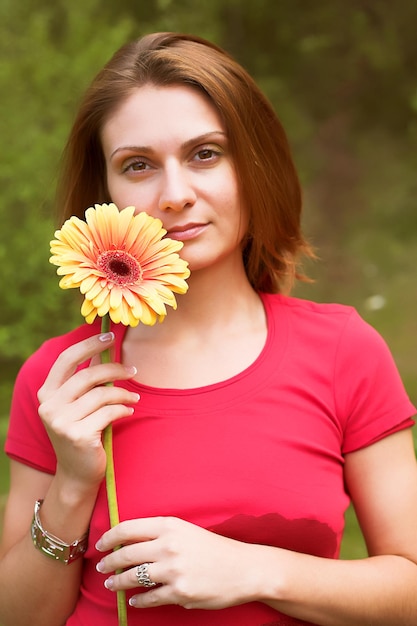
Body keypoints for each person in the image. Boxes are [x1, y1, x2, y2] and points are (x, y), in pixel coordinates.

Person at [0, 31, 416, 626]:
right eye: (137, 165)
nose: (174, 195)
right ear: (106, 191)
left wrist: (250, 568)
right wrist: (70, 486)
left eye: (205, 153)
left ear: (254, 166)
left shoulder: (343, 352)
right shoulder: (63, 379)